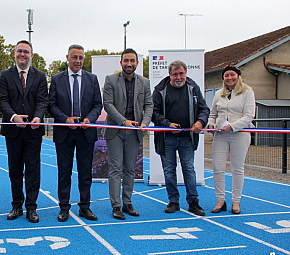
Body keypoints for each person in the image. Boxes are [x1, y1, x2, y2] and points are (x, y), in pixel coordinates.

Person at [49, 44, 102, 222]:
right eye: (74, 57)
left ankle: (85, 207)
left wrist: (89, 119)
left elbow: (97, 105)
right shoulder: (56, 79)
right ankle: (64, 208)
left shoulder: (92, 79)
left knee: (85, 172)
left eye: (81, 57)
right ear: (67, 57)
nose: (78, 61)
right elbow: (52, 105)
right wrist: (65, 119)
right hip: (64, 132)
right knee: (64, 172)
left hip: (86, 132)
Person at [0, 40, 48, 223]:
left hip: (33, 131)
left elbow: (43, 101)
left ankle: (31, 208)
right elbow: (2, 100)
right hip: (13, 131)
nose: (22, 55)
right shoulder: (5, 75)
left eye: (26, 52)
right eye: (20, 51)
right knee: (15, 170)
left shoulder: (40, 76)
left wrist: (38, 117)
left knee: (33, 170)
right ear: (14, 53)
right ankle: (16, 206)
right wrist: (13, 117)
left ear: (31, 55)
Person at [151, 60, 209, 216]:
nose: (178, 77)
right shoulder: (160, 90)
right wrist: (167, 124)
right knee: (169, 171)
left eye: (181, 73)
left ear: (186, 73)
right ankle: (173, 201)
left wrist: (200, 121)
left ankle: (193, 202)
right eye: (175, 74)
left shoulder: (193, 88)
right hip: (166, 138)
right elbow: (153, 113)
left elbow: (204, 109)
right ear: (169, 74)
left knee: (189, 169)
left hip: (187, 138)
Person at [103, 48, 153, 220]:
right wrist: (123, 121)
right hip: (116, 130)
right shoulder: (110, 80)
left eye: (132, 61)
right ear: (121, 62)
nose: (129, 64)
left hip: (135, 131)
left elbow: (149, 105)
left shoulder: (145, 82)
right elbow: (108, 104)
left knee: (130, 169)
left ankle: (128, 202)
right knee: (115, 168)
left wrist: (145, 122)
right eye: (126, 61)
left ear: (137, 63)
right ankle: (116, 205)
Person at [207, 65, 255, 214]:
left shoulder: (247, 92)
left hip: (240, 134)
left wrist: (232, 126)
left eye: (232, 75)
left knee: (237, 168)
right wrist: (211, 123)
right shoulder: (219, 94)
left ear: (238, 76)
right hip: (220, 135)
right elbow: (213, 113)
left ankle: (236, 201)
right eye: (226, 76)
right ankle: (220, 200)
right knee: (217, 167)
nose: (229, 78)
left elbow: (249, 115)